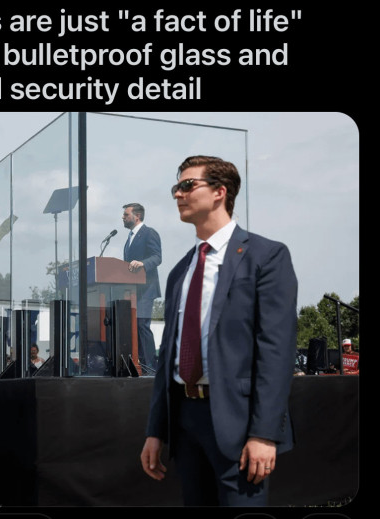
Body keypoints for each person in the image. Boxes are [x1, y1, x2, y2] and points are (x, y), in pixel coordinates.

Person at [140, 155, 298, 506]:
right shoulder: (180, 270)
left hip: (240, 425)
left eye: (187, 185)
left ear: (219, 192)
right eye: (175, 188)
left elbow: (276, 350)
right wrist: (156, 431)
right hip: (185, 422)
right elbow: (168, 355)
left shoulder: (266, 256)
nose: (177, 195)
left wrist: (264, 433)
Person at [122, 202, 162, 372]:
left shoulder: (149, 233)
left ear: (137, 216)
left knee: (141, 325)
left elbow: (157, 257)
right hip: (132, 290)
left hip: (145, 288)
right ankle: (139, 366)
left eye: (126, 215)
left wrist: (142, 263)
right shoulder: (129, 238)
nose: (123, 218)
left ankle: (151, 367)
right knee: (133, 326)